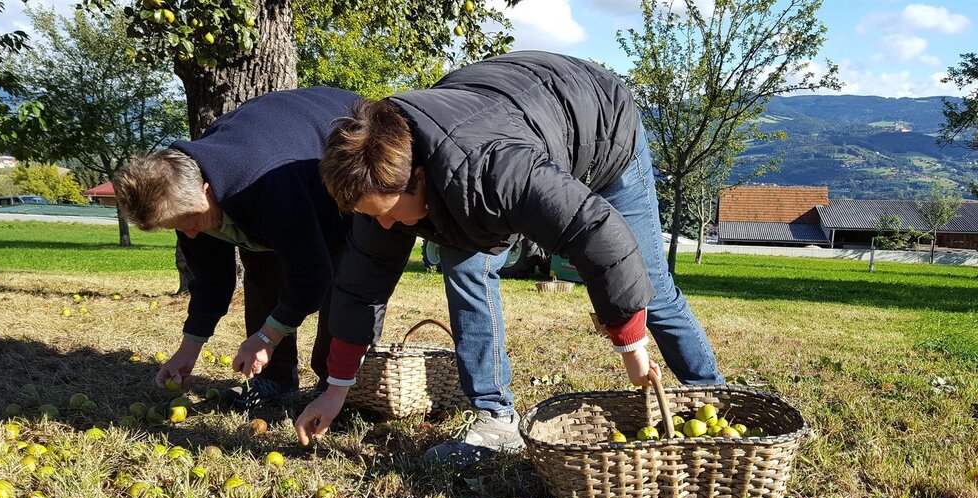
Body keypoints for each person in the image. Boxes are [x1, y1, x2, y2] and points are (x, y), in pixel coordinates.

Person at [295, 51, 724, 465]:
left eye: (388, 213)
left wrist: (631, 347)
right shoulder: (379, 174)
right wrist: (335, 390)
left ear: (419, 178)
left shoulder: (496, 172)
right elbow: (361, 286)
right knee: (466, 271)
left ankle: (712, 399)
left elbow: (600, 237)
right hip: (509, 120)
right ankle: (496, 421)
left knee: (651, 284)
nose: (384, 226)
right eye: (372, 215)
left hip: (602, 125)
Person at [113, 87, 362, 406]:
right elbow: (211, 279)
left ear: (205, 190)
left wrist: (267, 336)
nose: (189, 235)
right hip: (274, 164)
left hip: (341, 153)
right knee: (262, 266)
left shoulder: (263, 184)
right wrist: (189, 350)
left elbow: (312, 274)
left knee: (340, 286)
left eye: (190, 222)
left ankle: (335, 386)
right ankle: (274, 378)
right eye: (177, 227)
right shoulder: (185, 199)